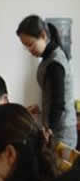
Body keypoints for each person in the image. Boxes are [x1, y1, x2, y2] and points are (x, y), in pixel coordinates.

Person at [17, 15, 77, 148]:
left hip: (62, 131)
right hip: (56, 128)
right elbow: (51, 94)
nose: (29, 50)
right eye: (26, 47)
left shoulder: (55, 62)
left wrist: (49, 129)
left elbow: (58, 101)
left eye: (30, 44)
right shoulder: (49, 58)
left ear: (43, 35)